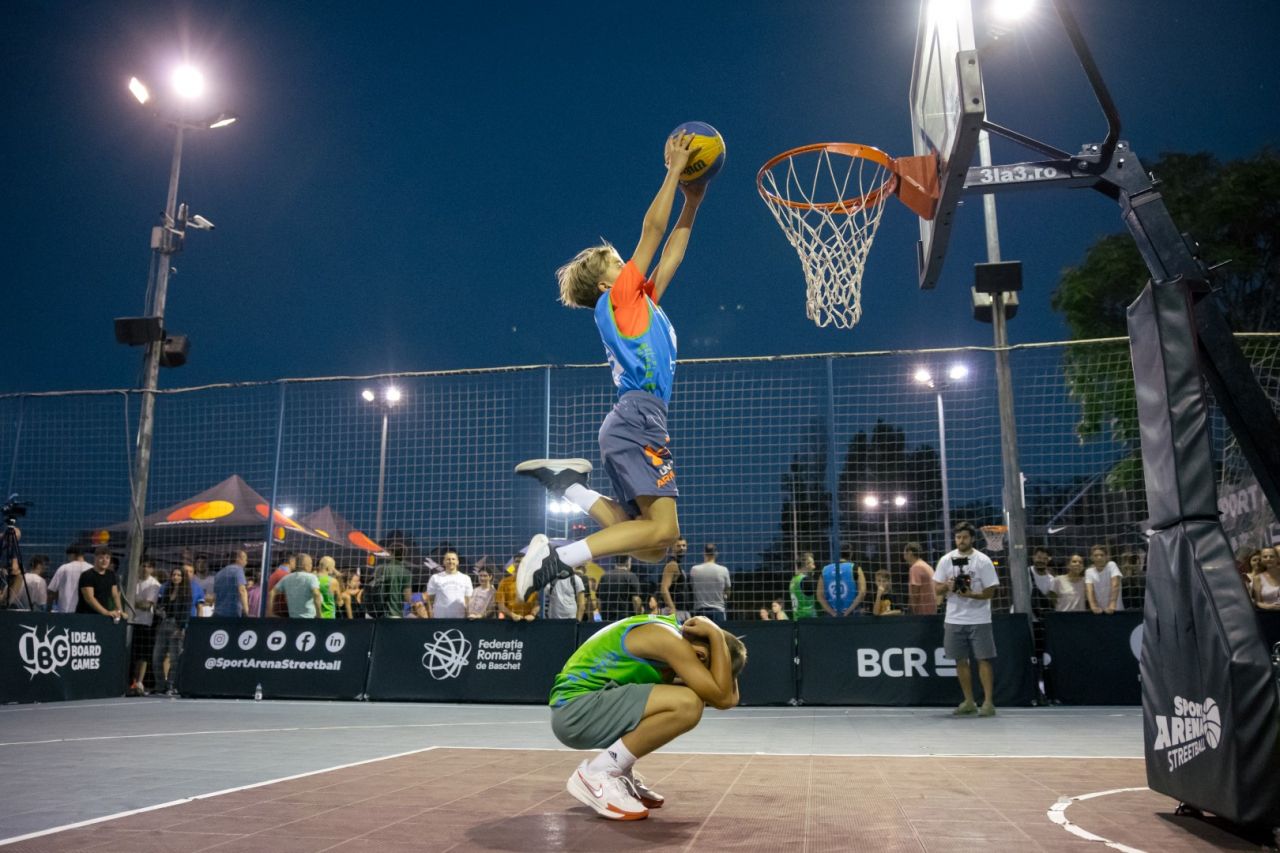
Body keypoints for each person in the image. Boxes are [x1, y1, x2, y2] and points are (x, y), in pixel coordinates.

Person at [512, 130, 708, 600]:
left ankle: (571, 488)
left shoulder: (639, 302)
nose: (629, 265)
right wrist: (674, 172)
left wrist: (693, 201)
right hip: (638, 417)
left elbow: (672, 251)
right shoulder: (619, 298)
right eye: (619, 263)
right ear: (604, 285)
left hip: (635, 419)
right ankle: (557, 557)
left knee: (653, 545)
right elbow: (653, 233)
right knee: (661, 532)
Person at [550, 613, 746, 820]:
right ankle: (599, 773)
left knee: (694, 695)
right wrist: (716, 634)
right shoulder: (668, 639)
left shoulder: (675, 635)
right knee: (688, 704)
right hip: (575, 712)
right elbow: (723, 699)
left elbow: (727, 699)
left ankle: (619, 770)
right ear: (701, 654)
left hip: (582, 709)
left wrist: (717, 639)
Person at [933, 522, 999, 717]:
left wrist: (971, 594)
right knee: (960, 661)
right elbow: (936, 589)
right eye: (958, 537)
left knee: (983, 659)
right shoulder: (946, 560)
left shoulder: (983, 560)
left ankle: (988, 702)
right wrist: (948, 585)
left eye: (965, 537)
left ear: (972, 539)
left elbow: (990, 592)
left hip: (979, 618)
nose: (961, 541)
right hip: (954, 618)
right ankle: (969, 701)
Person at [152, 567, 199, 695]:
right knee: (157, 657)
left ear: (183, 577)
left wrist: (182, 628)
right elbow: (160, 606)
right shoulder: (167, 590)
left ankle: (171, 685)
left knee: (175, 658)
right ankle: (160, 685)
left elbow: (186, 612)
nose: (176, 577)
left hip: (176, 625)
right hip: (163, 624)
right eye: (174, 574)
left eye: (179, 575)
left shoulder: (186, 593)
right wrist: (159, 610)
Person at [127, 559, 162, 696]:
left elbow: (148, 605)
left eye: (148, 566)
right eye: (143, 565)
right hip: (129, 622)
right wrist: (137, 603)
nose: (145, 568)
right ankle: (130, 682)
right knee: (130, 655)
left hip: (145, 623)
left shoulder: (154, 584)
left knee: (142, 656)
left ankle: (139, 683)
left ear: (152, 569)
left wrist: (132, 602)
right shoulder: (132, 580)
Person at [688, 544, 732, 623]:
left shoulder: (694, 570)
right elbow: (728, 592)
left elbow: (692, 588)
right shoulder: (723, 570)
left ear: (704, 553)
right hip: (718, 610)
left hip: (700, 611)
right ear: (716, 554)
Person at [818, 546, 865, 618]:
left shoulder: (825, 570)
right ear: (851, 554)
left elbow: (820, 595)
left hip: (831, 615)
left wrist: (833, 613)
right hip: (853, 614)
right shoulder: (855, 568)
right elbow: (862, 592)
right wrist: (847, 612)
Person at [77, 547, 124, 619]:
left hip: (103, 617)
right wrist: (106, 612)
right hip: (86, 616)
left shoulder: (111, 575)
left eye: (107, 558)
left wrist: (120, 611)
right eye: (101, 558)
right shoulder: (87, 575)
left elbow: (115, 595)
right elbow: (89, 598)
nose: (105, 561)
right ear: (95, 558)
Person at [271, 553, 322, 618]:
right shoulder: (312, 577)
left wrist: (269, 612)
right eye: (311, 563)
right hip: (309, 619)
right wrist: (319, 615)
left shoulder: (286, 578)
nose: (311, 566)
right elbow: (316, 594)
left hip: (293, 619)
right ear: (305, 565)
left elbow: (271, 592)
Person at [597, 556, 645, 623]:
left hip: (607, 619)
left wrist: (602, 615)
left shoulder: (604, 576)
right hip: (626, 619)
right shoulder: (631, 576)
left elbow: (599, 601)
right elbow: (636, 600)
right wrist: (638, 615)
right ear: (628, 562)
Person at [427, 550, 473, 619]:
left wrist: (467, 616)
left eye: (453, 559)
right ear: (444, 562)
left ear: (457, 562)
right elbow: (430, 599)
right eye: (448, 559)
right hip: (439, 618)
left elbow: (468, 600)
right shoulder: (435, 578)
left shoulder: (466, 578)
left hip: (460, 619)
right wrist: (431, 615)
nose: (451, 561)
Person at [47, 545, 92, 614]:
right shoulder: (91, 569)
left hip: (65, 612)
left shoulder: (64, 568)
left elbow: (51, 591)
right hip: (87, 613)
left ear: (72, 555)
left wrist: (48, 610)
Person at [1085, 545, 1123, 615]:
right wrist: (1093, 606)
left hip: (1116, 610)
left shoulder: (1111, 565)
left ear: (1106, 557)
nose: (1099, 557)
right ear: (1091, 558)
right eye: (1096, 555)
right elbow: (1089, 590)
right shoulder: (1089, 571)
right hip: (1099, 612)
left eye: (1102, 555)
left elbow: (1115, 585)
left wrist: (1112, 605)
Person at [212, 550, 250, 618]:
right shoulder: (238, 570)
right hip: (232, 614)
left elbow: (215, 595)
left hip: (218, 613)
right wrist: (246, 611)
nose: (246, 562)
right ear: (238, 558)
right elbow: (242, 591)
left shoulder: (219, 573)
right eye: (245, 559)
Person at [904, 543, 939, 615]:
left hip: (922, 613)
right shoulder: (927, 566)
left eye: (904, 553)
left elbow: (915, 594)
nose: (904, 556)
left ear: (910, 553)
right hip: (931, 610)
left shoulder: (916, 568)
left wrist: (909, 613)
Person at [658, 537, 688, 619]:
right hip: (674, 612)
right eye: (678, 546)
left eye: (684, 545)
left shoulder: (677, 564)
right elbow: (664, 588)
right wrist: (672, 608)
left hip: (679, 611)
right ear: (672, 547)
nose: (682, 548)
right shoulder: (672, 565)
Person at [788, 552, 818, 619]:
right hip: (809, 621)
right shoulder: (806, 581)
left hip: (797, 619)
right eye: (812, 564)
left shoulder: (793, 580)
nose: (814, 567)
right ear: (806, 565)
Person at [1028, 547, 1057, 617]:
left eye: (1045, 559)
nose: (1041, 561)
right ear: (1033, 558)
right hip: (1022, 616)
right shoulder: (1024, 573)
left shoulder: (1051, 580)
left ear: (1048, 561)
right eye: (1039, 557)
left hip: (1037, 618)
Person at [265, 552, 295, 618]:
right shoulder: (285, 575)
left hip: (274, 611)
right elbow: (288, 598)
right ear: (291, 560)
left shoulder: (275, 573)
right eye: (295, 561)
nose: (296, 563)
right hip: (280, 614)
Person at [1252, 546, 1280, 611]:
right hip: (1271, 616)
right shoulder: (1257, 578)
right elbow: (1258, 602)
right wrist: (1269, 607)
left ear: (1278, 558)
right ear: (1261, 560)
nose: (1268, 559)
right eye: (1265, 557)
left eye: (1271, 556)